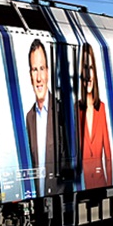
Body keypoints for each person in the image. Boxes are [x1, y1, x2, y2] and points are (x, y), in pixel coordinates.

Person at [25, 39, 63, 195]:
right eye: (35, 70)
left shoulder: (62, 111)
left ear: (48, 72)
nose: (39, 77)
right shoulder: (29, 118)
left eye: (41, 69)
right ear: (30, 75)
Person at [77, 43, 111, 188]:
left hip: (100, 181)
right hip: (82, 182)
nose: (88, 75)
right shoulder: (75, 110)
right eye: (85, 68)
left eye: (91, 68)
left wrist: (110, 183)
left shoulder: (101, 108)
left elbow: (108, 153)